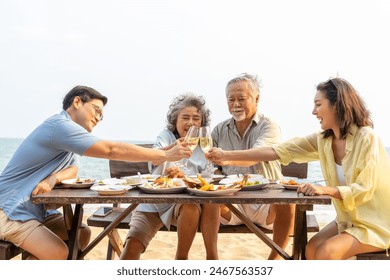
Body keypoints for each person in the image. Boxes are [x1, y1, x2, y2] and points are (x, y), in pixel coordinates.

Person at [207, 77, 390, 260]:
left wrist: (324, 190)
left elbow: (364, 189)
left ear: (337, 105)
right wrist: (225, 156)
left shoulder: (366, 137)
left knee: (327, 252)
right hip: (347, 220)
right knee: (310, 250)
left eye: (318, 104)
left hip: (374, 224)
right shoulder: (324, 140)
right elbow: (279, 150)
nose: (313, 111)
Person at [0, 86, 191, 260]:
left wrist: (53, 178)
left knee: (82, 233)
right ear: (77, 102)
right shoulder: (59, 126)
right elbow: (110, 150)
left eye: (102, 116)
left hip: (34, 211)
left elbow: (72, 169)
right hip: (9, 209)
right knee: (58, 253)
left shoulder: (68, 139)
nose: (99, 119)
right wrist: (164, 154)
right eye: (97, 110)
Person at [120, 93, 220, 260]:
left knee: (190, 206)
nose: (191, 123)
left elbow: (209, 176)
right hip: (154, 204)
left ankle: (181, 259)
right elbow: (153, 155)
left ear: (202, 122)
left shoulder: (203, 144)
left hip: (183, 207)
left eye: (196, 118)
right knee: (132, 246)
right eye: (185, 117)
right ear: (175, 120)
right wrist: (171, 151)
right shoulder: (166, 136)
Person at [211, 73, 295, 260]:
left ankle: (274, 261)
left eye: (242, 98)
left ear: (257, 99)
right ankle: (212, 260)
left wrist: (224, 158)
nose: (236, 104)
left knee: (288, 202)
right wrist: (215, 169)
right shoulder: (218, 129)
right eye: (231, 99)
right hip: (231, 203)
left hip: (266, 203)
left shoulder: (269, 126)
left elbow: (256, 156)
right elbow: (210, 167)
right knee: (207, 199)